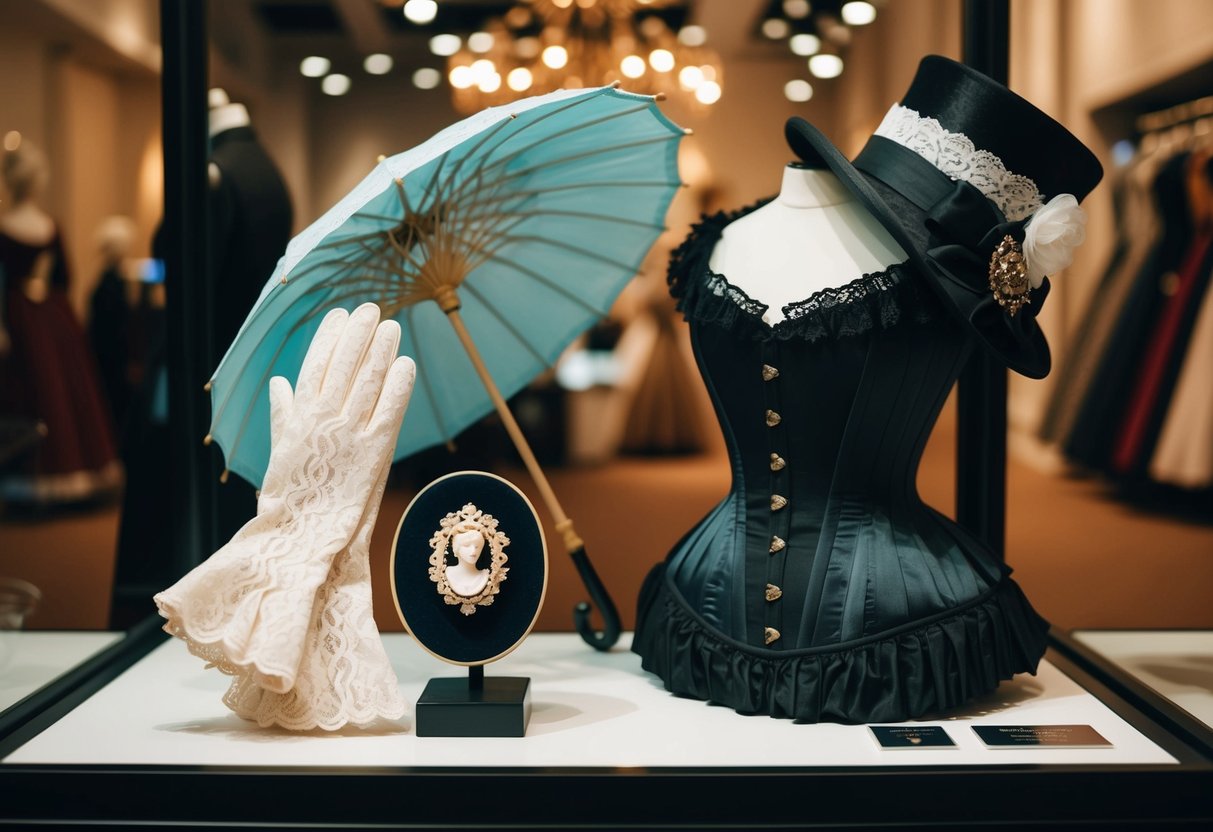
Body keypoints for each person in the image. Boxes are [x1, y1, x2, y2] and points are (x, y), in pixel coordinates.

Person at [0, 140, 119, 505]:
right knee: (46, 391)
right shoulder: (48, 227)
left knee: (41, 391)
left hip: (24, 316)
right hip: (49, 317)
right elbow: (65, 278)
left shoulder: (15, 227)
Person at [446, 525, 489, 597]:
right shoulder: (448, 573)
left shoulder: (484, 575)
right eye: (466, 545)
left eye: (477, 546)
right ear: (456, 548)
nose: (473, 551)